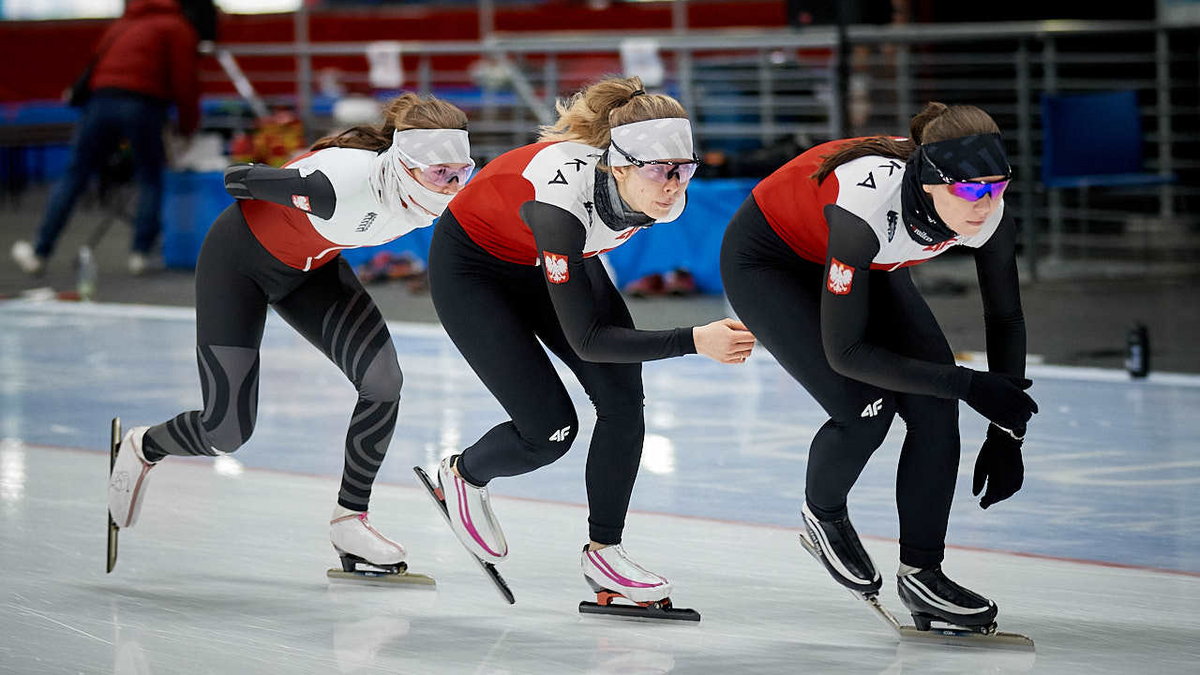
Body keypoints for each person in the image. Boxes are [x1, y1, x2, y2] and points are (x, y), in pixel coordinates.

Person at [106, 93, 475, 576]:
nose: (451, 186)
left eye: (460, 172)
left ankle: (350, 520)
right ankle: (143, 446)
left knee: (383, 381)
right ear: (404, 165)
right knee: (227, 431)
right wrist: (280, 183)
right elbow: (235, 179)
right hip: (238, 265)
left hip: (311, 270)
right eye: (439, 174)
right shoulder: (338, 185)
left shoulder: (428, 192)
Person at [425, 76, 755, 607]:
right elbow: (590, 339)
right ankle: (461, 475)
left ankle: (605, 553)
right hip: (475, 271)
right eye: (658, 169)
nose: (673, 184)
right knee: (550, 432)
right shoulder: (560, 205)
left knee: (624, 402)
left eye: (684, 169)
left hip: (554, 258)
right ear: (617, 164)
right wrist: (694, 339)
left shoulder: (646, 188)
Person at [719, 102, 1037, 631]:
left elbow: (1005, 316)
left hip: (873, 262)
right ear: (929, 182)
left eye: (998, 185)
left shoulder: (987, 208)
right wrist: (968, 383)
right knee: (861, 406)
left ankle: (923, 574)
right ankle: (824, 515)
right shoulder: (867, 201)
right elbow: (847, 353)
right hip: (772, 261)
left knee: (936, 408)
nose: (985, 204)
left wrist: (1008, 433)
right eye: (969, 190)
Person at [11, 0, 201, 276]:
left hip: (100, 103)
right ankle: (140, 254)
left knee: (74, 175)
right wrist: (187, 126)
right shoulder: (177, 27)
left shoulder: (123, 23)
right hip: (144, 105)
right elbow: (186, 81)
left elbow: (94, 66)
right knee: (149, 176)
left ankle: (40, 252)